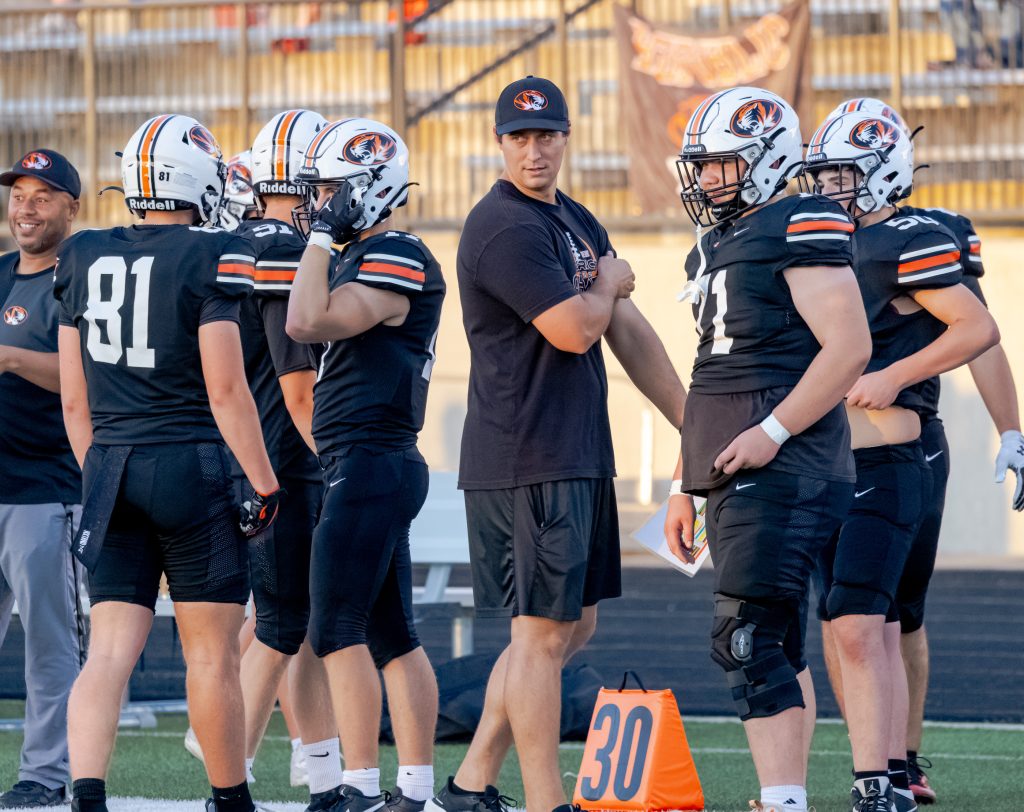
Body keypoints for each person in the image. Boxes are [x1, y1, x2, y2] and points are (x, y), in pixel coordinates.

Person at [426, 76, 685, 812]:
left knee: (570, 628)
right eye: (520, 137)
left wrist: (691, 421)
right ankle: (547, 802)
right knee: (540, 637)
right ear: (499, 142)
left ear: (567, 137)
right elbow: (576, 329)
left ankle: (471, 780)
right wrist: (606, 285)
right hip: (526, 457)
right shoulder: (504, 225)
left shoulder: (572, 217)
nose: (534, 150)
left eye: (546, 135)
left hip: (574, 451)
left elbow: (626, 329)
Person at [53, 114, 283, 812]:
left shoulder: (81, 252)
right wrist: (265, 483)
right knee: (211, 654)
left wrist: (101, 472)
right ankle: (230, 799)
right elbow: (226, 389)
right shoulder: (214, 252)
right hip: (192, 467)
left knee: (108, 652)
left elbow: (73, 399)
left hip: (111, 464)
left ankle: (87, 795)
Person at [665, 87, 872, 812]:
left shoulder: (800, 220)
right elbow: (710, 374)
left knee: (745, 639)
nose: (707, 178)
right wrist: (682, 485)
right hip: (735, 460)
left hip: (788, 463)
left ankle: (783, 801)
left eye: (721, 163)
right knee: (775, 641)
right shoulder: (716, 242)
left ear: (767, 157)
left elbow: (850, 347)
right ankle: (784, 798)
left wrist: (773, 431)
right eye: (703, 165)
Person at [824, 97, 1024, 806]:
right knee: (845, 614)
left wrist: (1009, 428)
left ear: (882, 171)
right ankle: (873, 759)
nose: (830, 186)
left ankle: (899, 762)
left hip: (905, 443)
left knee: (895, 612)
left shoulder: (915, 237)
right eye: (825, 173)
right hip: (831, 446)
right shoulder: (818, 237)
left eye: (844, 173)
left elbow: (980, 334)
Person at [287, 117, 444, 812]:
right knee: (390, 634)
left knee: (334, 628)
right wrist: (326, 239)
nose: (318, 204)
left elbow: (304, 321)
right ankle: (414, 789)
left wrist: (320, 238)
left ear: (367, 189)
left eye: (330, 190)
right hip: (369, 461)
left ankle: (358, 784)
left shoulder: (397, 252)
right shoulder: (366, 254)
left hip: (371, 458)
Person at [232, 108, 343, 808]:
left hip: (242, 456)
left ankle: (324, 775)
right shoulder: (283, 254)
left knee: (296, 625)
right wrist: (337, 463)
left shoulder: (235, 242)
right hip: (283, 461)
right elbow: (298, 388)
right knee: (278, 628)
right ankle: (228, 773)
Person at [0, 150, 84, 808]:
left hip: (46, 491)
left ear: (70, 208)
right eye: (18, 195)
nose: (25, 208)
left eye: (42, 196)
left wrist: (11, 359)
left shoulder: (79, 278)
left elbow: (91, 378)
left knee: (50, 645)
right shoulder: (1, 272)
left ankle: (47, 775)